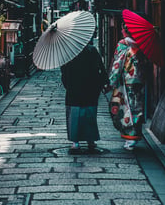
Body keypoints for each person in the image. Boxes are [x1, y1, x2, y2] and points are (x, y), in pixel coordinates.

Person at [60, 40, 109, 153]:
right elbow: (100, 68)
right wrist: (102, 83)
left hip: (74, 89)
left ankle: (75, 142)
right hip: (90, 88)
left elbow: (64, 72)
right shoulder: (92, 50)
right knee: (90, 114)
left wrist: (68, 85)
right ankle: (90, 140)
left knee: (74, 115)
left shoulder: (68, 53)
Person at [107, 22, 148, 151]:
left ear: (125, 32)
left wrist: (111, 81)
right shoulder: (140, 44)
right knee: (136, 108)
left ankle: (129, 138)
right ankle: (134, 136)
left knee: (125, 108)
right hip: (138, 80)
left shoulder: (123, 44)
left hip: (125, 81)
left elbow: (117, 64)